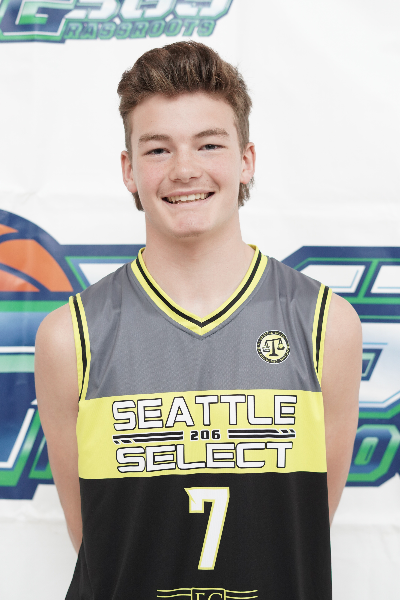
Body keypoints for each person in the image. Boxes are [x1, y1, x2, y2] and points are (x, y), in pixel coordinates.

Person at [35, 41, 362, 600]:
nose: (185, 170)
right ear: (129, 170)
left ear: (246, 160)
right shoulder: (71, 337)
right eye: (158, 149)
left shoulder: (325, 324)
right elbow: (98, 543)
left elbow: (304, 526)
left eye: (209, 144)